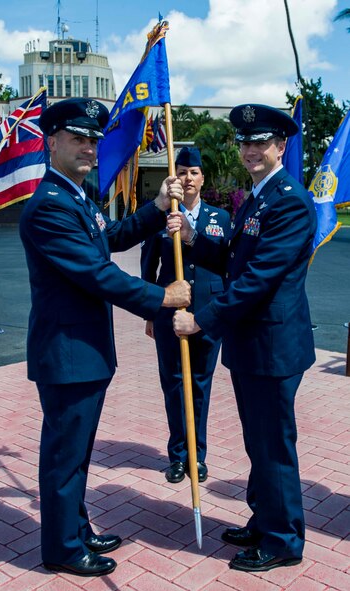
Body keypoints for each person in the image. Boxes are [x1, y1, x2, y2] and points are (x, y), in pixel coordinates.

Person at [19, 97, 191, 577]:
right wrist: (162, 297)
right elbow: (97, 273)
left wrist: (157, 207)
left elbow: (110, 236)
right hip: (67, 352)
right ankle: (62, 549)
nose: (90, 147)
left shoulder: (77, 196)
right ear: (51, 142)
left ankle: (76, 528)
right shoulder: (49, 207)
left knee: (77, 452)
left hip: (83, 351)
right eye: (78, 138)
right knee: (65, 455)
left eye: (93, 139)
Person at [173, 104, 317, 572]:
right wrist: (195, 240)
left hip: (272, 345)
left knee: (273, 444)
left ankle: (282, 540)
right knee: (259, 441)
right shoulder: (258, 196)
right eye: (245, 143)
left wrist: (202, 320)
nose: (251, 150)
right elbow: (237, 258)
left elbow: (258, 278)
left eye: (261, 142)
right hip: (254, 344)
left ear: (281, 146)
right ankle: (265, 520)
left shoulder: (290, 200)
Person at [141, 146, 231, 484]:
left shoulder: (220, 219)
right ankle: (178, 456)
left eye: (193, 172)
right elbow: (147, 266)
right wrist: (150, 311)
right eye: (181, 172)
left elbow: (227, 265)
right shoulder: (161, 217)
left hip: (209, 314)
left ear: (202, 178)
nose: (187, 178)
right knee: (175, 385)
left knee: (200, 385)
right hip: (168, 314)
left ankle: (199, 456)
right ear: (173, 177)